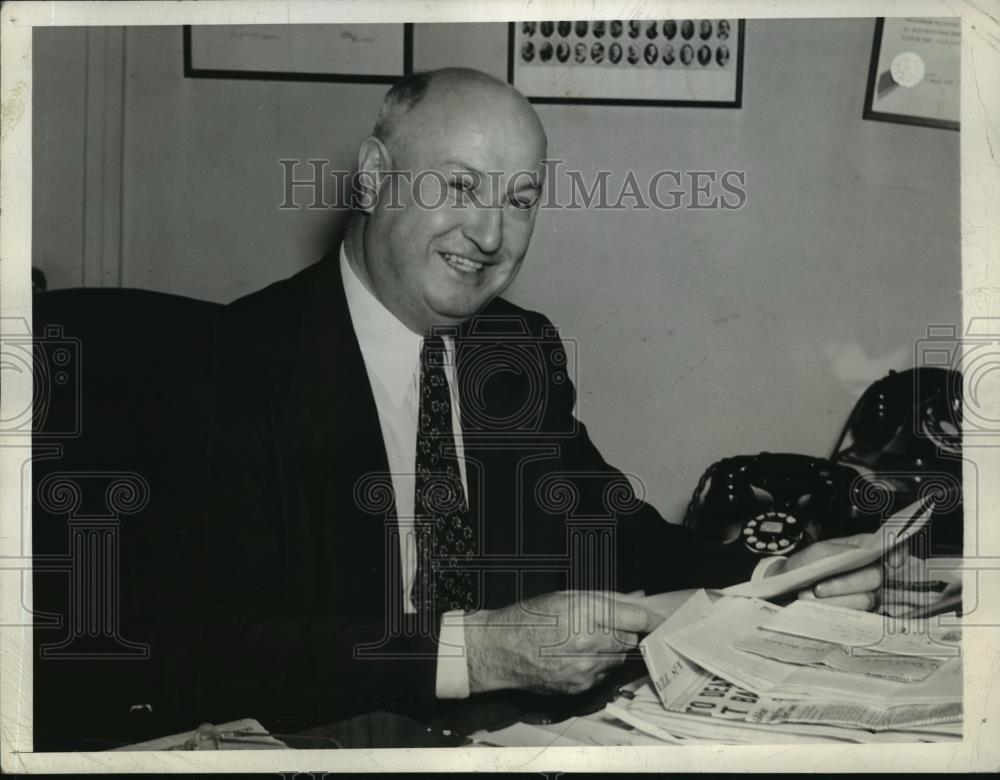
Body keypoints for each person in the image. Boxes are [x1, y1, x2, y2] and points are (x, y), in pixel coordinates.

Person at [194, 68, 910, 726]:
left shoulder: (515, 349)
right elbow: (215, 642)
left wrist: (774, 577)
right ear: (377, 178)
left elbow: (613, 536)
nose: (488, 234)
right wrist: (474, 652)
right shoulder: (237, 358)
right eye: (462, 186)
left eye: (520, 200)